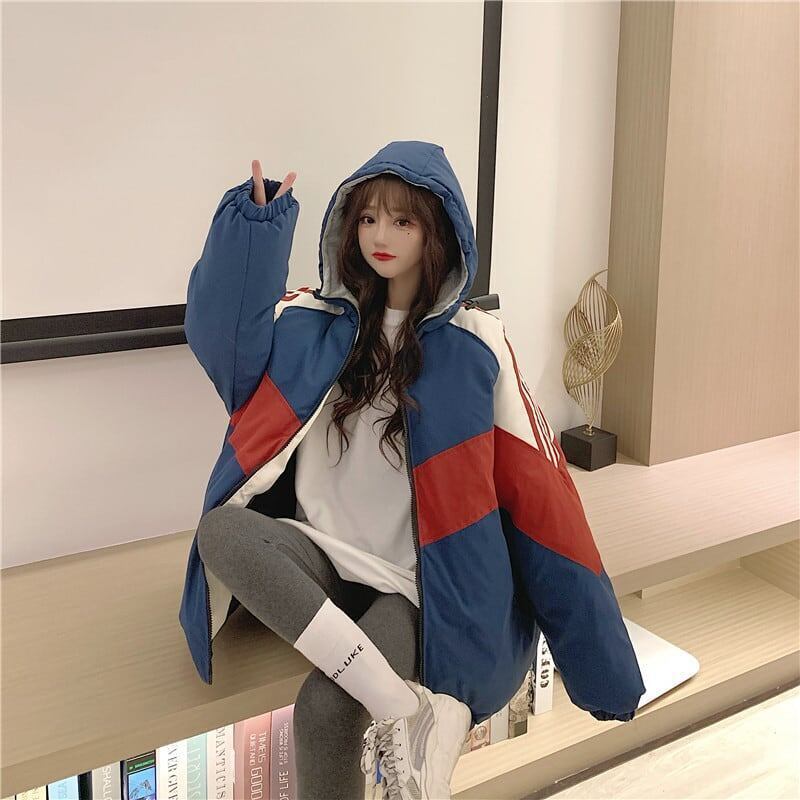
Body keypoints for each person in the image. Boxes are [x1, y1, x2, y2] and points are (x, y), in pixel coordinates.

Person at [178, 141, 646, 800]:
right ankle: (407, 711)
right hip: (318, 556)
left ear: (436, 233)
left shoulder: (476, 344)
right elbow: (221, 344)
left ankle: (401, 708)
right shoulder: (307, 322)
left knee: (325, 710)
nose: (380, 236)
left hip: (411, 583)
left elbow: (543, 498)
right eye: (369, 218)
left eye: (403, 221)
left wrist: (603, 668)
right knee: (220, 533)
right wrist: (252, 235)